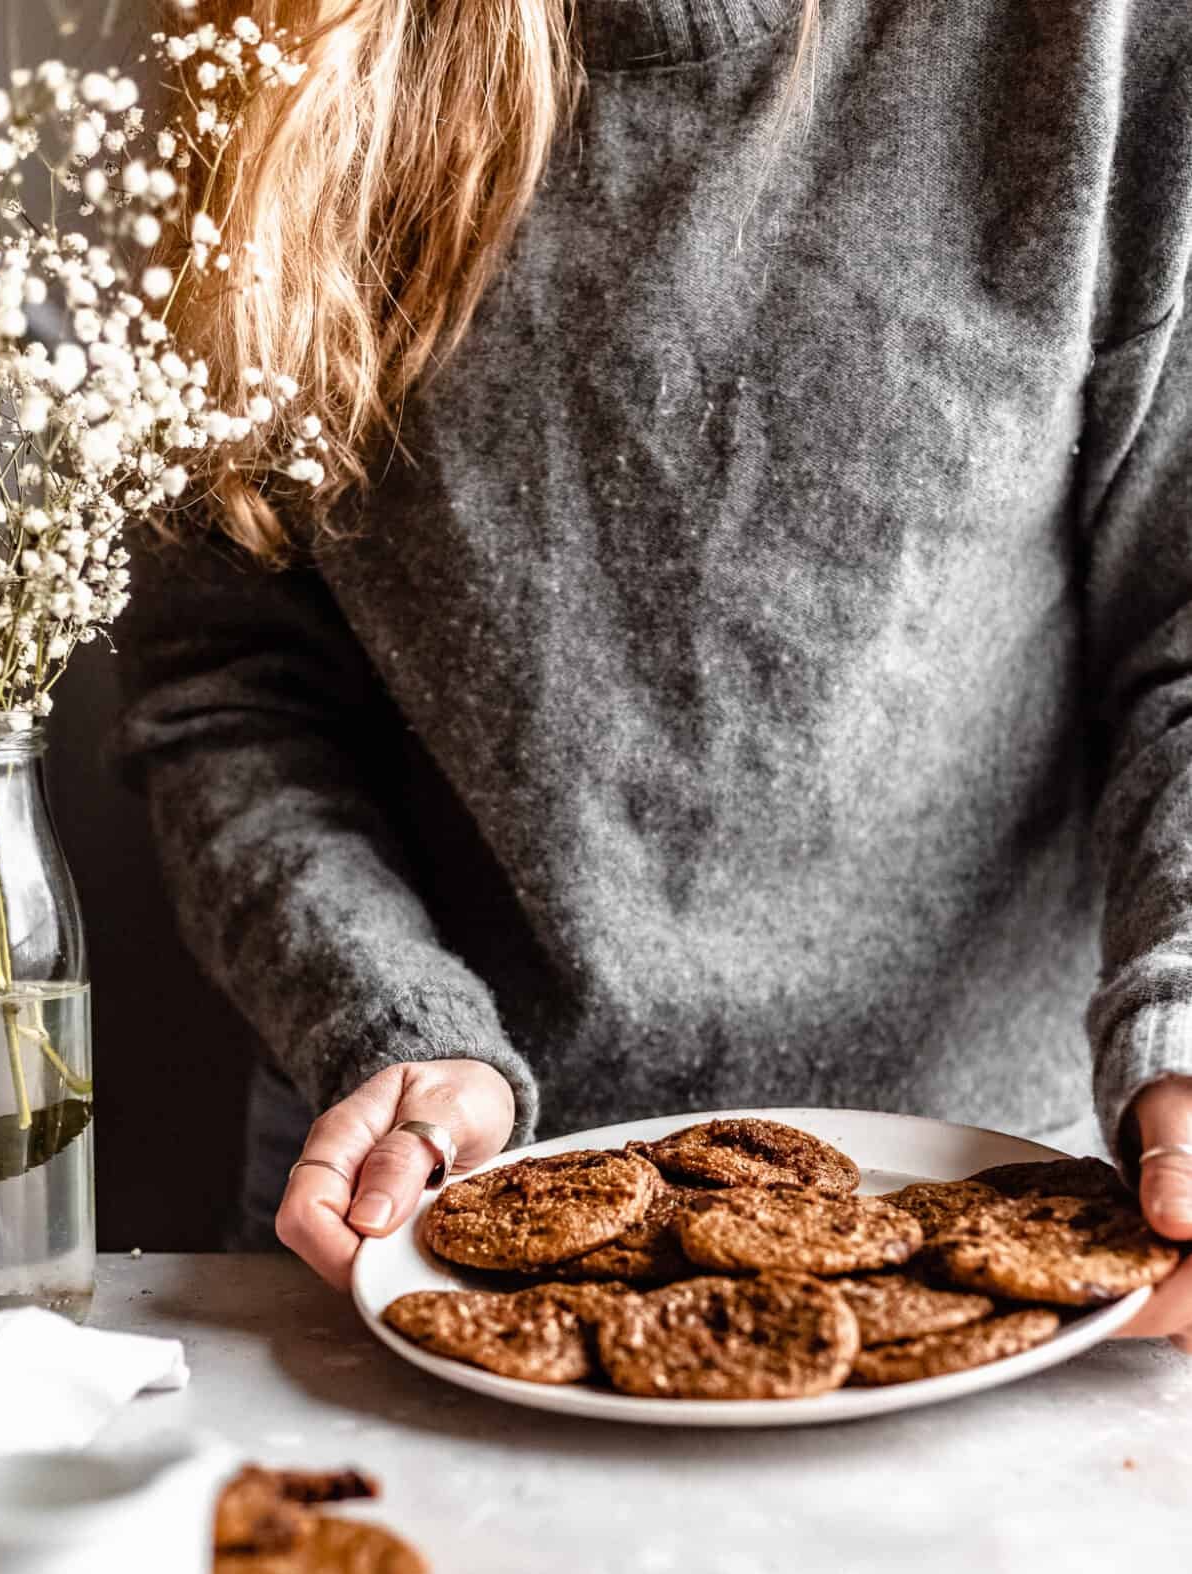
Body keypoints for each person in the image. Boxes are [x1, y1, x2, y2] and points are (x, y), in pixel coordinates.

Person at [118, 0, 1192, 1350]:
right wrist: (383, 1017)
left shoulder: (1104, 42)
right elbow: (228, 691)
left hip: (1011, 1214)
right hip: (412, 1209)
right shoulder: (291, 58)